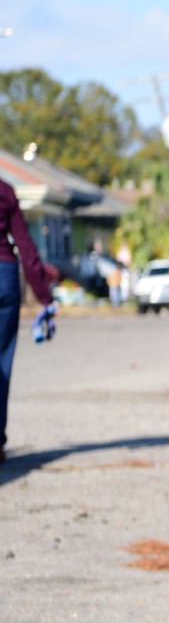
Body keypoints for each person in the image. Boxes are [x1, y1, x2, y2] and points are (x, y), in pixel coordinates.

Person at [0, 177, 57, 465]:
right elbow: (25, 246)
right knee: (2, 360)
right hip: (5, 279)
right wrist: (44, 296)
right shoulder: (5, 191)